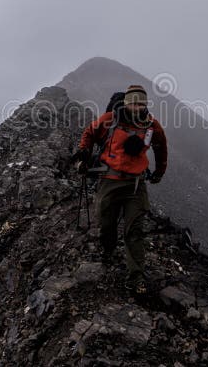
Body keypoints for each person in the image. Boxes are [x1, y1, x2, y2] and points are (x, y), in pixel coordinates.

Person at [74, 84, 168, 293]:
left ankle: (136, 278)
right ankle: (108, 250)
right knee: (106, 223)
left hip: (136, 184)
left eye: (141, 103)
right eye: (134, 103)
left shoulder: (151, 126)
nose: (138, 107)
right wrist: (83, 152)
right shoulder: (109, 119)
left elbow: (161, 147)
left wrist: (159, 172)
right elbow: (89, 133)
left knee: (134, 231)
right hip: (110, 180)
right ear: (126, 103)